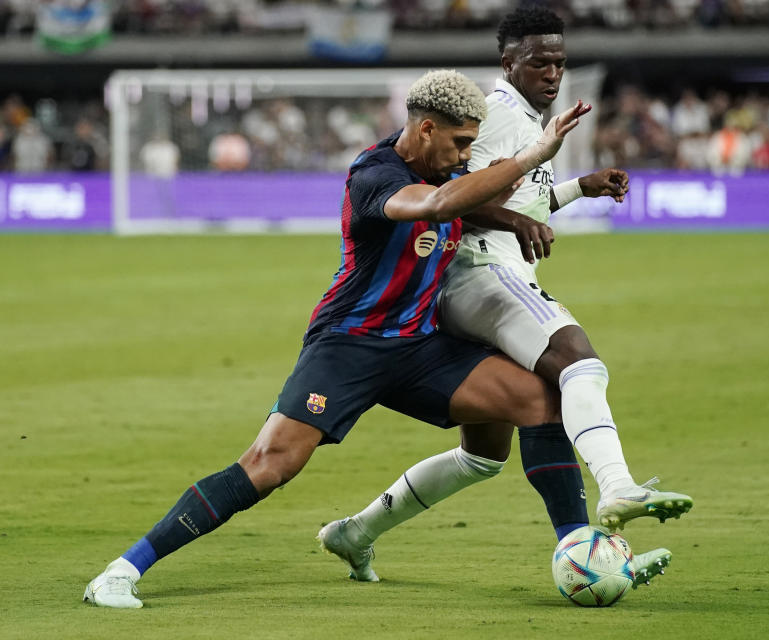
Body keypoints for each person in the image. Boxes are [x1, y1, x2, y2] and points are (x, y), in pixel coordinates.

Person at [84, 69, 588, 609]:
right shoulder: (375, 175)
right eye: (460, 141)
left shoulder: (450, 168)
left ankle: (581, 554)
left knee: (538, 400)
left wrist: (546, 202)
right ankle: (121, 571)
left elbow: (469, 198)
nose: (467, 153)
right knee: (269, 463)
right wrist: (536, 151)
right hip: (350, 344)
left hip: (419, 345)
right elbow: (438, 205)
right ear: (423, 130)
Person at [319, 5, 691, 584]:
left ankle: (356, 531)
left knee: (488, 451)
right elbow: (444, 195)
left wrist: (576, 189)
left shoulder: (526, 118)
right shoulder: (493, 115)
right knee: (578, 363)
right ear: (507, 62)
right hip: (477, 273)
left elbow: (519, 204)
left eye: (559, 62)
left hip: (487, 278)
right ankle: (615, 490)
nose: (552, 72)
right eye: (539, 61)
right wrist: (513, 222)